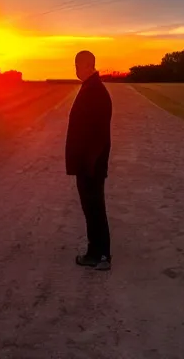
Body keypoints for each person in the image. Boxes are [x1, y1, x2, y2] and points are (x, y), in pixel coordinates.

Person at [66, 51, 113, 271]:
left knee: (95, 208)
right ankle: (95, 252)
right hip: (87, 163)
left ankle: (101, 254)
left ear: (87, 65)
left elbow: (100, 133)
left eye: (77, 64)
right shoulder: (90, 87)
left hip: (91, 165)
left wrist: (90, 163)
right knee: (91, 208)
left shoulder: (96, 91)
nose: (75, 68)